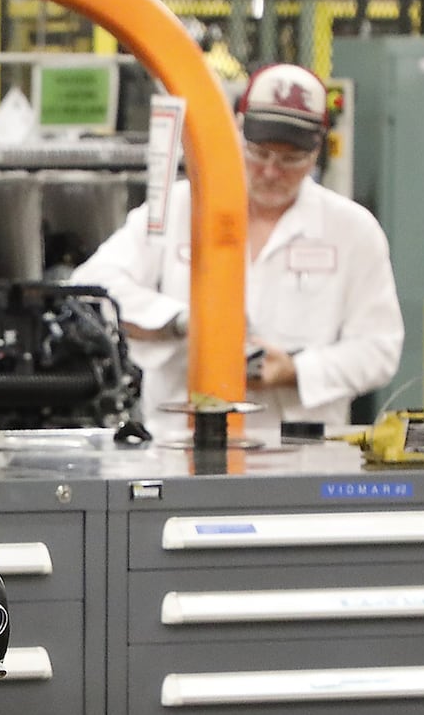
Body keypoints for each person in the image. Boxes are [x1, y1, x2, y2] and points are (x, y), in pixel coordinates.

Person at [71, 63, 403, 445]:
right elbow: (90, 290)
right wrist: (183, 322)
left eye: (290, 159)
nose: (270, 171)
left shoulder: (353, 231)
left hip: (299, 455)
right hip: (178, 445)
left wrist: (295, 370)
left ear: (318, 151)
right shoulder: (181, 209)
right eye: (258, 153)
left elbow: (380, 349)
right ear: (237, 131)